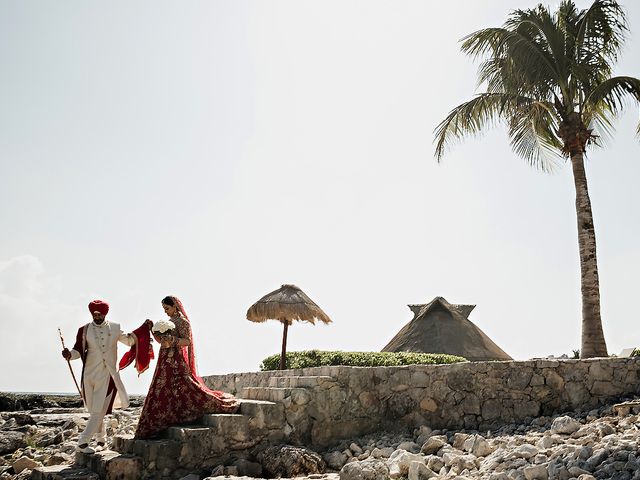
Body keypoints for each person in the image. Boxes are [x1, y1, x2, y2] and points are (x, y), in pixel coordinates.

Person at [135, 295, 240, 439]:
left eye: (167, 308)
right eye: (164, 309)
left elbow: (187, 341)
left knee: (187, 388)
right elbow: (162, 342)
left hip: (176, 362)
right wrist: (153, 330)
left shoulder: (183, 322)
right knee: (161, 389)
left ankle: (214, 404)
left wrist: (172, 340)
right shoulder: (169, 322)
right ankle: (158, 423)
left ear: (175, 306)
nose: (165, 311)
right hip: (164, 361)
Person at [62, 299, 141, 453]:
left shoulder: (116, 327)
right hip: (88, 375)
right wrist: (69, 355)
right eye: (94, 313)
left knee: (98, 409)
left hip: (108, 374)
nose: (96, 316)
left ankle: (82, 442)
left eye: (99, 314)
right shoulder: (83, 330)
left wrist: (144, 329)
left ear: (105, 313)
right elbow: (78, 350)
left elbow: (130, 341)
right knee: (94, 410)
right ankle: (101, 440)